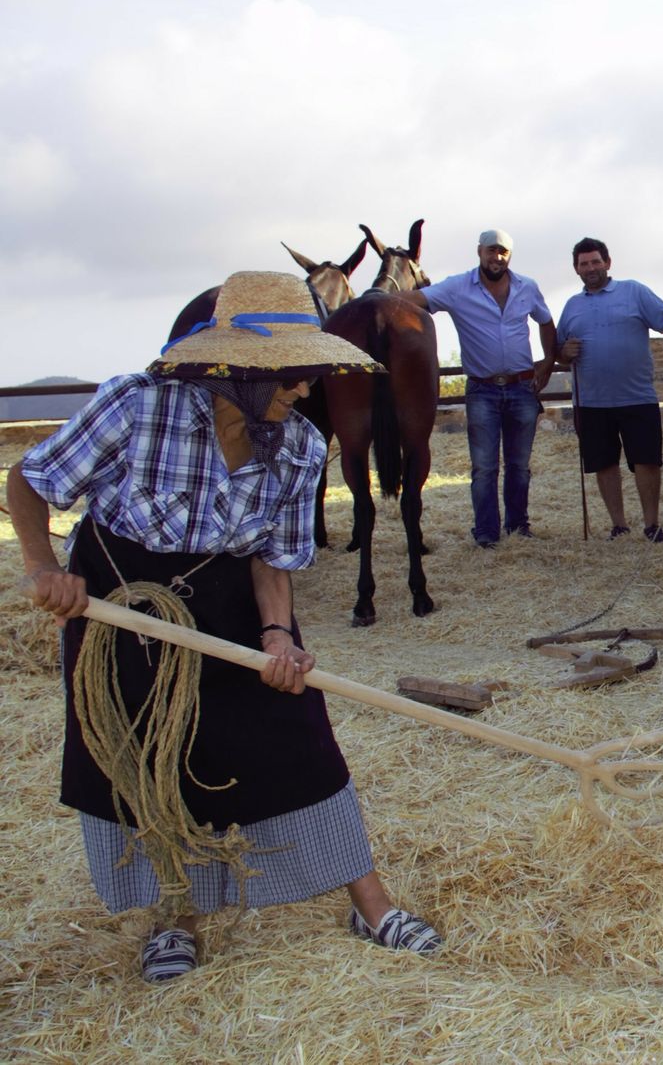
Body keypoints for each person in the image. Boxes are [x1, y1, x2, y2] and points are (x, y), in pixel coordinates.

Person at [8, 271, 443, 983]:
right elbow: (30, 480)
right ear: (236, 370)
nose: (304, 390)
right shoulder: (136, 407)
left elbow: (273, 561)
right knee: (152, 763)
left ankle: (371, 906)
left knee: (304, 745)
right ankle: (173, 916)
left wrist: (277, 635)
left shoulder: (300, 447)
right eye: (290, 375)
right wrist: (40, 566)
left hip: (234, 599)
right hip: (121, 604)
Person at [401, 229, 557, 548]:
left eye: (502, 252)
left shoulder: (528, 287)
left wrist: (548, 361)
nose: (496, 257)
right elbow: (412, 300)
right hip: (483, 390)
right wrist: (374, 303)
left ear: (509, 256)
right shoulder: (457, 287)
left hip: (521, 388)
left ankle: (518, 526)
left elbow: (545, 321)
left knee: (519, 466)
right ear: (479, 252)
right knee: (484, 467)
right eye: (491, 251)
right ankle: (486, 533)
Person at [555, 237, 663, 541]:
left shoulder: (634, 291)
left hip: (637, 398)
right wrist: (563, 353)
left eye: (596, 261)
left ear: (608, 263)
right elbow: (559, 350)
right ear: (576, 269)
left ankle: (651, 524)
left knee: (647, 461)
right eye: (584, 263)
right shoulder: (571, 306)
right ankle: (619, 525)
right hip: (591, 403)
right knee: (604, 464)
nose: (591, 267)